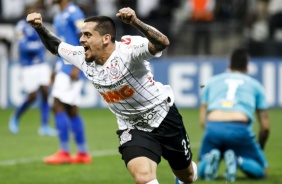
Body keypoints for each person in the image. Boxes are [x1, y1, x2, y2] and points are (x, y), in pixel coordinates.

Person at [27, 7, 198, 184]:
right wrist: (39, 27)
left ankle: (186, 172)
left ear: (106, 38)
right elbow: (55, 46)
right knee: (143, 177)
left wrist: (135, 22)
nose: (81, 39)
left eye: (87, 35)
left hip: (164, 116)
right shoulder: (82, 56)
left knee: (187, 176)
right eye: (82, 35)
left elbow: (162, 42)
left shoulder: (128, 50)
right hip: (131, 127)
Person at [198, 48, 270, 182]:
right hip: (239, 127)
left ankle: (210, 160)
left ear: (229, 65)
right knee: (261, 170)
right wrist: (259, 148)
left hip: (214, 125)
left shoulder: (212, 81)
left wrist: (218, 137)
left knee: (201, 165)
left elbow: (203, 121)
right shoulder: (256, 85)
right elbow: (265, 127)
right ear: (247, 67)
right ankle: (238, 160)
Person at [42, 0, 92, 164]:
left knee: (57, 105)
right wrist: (54, 70)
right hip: (62, 66)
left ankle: (63, 152)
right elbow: (60, 45)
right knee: (71, 109)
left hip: (72, 67)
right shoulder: (59, 16)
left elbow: (85, 38)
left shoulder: (74, 12)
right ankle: (83, 153)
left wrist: (78, 66)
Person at [8, 4, 57, 136]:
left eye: (36, 11)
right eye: (31, 11)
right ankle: (15, 117)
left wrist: (36, 46)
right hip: (28, 66)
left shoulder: (40, 26)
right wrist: (37, 46)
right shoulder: (21, 26)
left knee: (46, 92)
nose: (34, 14)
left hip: (41, 64)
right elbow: (23, 47)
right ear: (26, 13)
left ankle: (44, 126)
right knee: (32, 96)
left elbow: (45, 44)